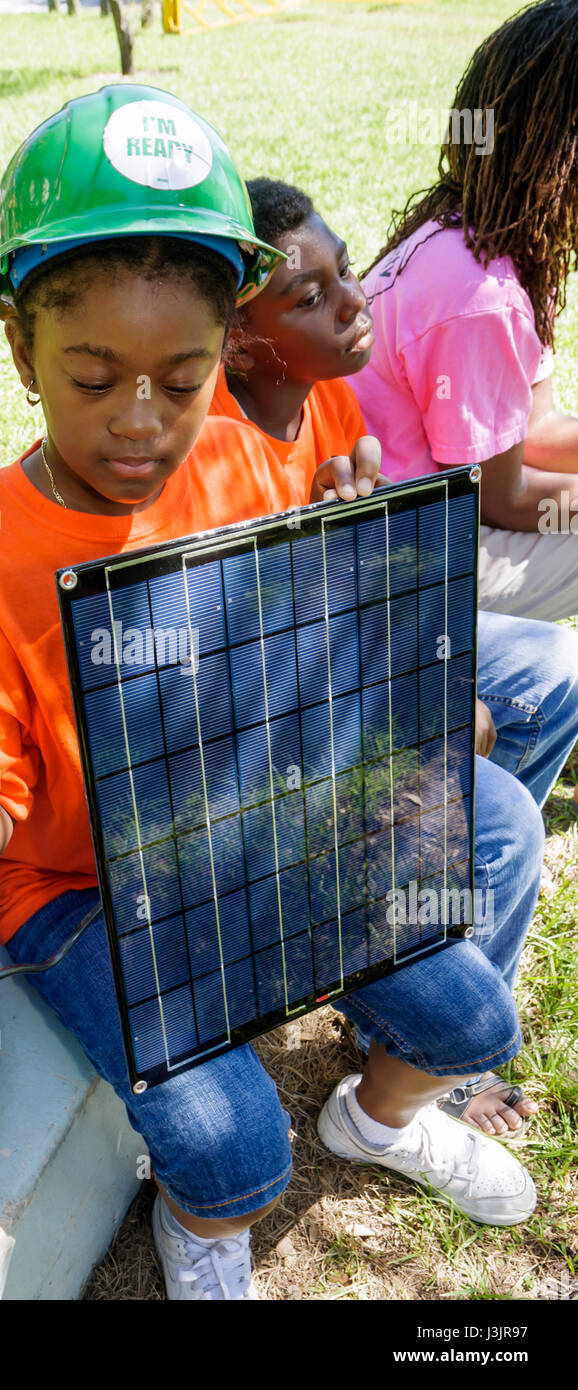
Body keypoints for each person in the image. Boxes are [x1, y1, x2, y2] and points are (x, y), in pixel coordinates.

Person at [0, 86, 544, 1302]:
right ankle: (206, 1232)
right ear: (20, 351)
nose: (140, 421)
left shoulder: (238, 463)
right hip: (73, 887)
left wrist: (357, 587)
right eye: (92, 375)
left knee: (468, 1018)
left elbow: (292, 684)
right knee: (229, 1147)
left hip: (242, 823)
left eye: (179, 381)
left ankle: (374, 1123)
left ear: (223, 351)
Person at [212, 173, 578, 1136]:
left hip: (351, 660)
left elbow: (364, 590)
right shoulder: (213, 450)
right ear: (240, 338)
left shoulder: (327, 404)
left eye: (344, 272)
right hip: (284, 732)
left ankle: (431, 934)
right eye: (311, 295)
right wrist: (421, 721)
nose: (353, 300)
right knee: (492, 806)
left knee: (548, 676)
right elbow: (259, 677)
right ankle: (415, 1005)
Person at [350, 0, 578, 623]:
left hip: (430, 515)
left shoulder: (485, 235)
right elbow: (501, 499)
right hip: (388, 564)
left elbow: (534, 431)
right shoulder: (481, 293)